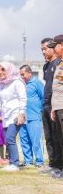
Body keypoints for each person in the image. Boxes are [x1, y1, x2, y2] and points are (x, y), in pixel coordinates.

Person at [0, 61, 27, 172]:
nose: (0, 72)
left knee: (10, 138)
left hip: (16, 114)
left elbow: (23, 98)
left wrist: (21, 113)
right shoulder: (1, 83)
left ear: (9, 69)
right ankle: (11, 163)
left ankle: (15, 164)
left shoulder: (17, 82)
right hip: (6, 116)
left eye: (3, 69)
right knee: (7, 140)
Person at [40, 37, 62, 175]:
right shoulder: (46, 66)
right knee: (48, 136)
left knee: (57, 136)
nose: (43, 51)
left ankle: (60, 165)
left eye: (45, 48)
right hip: (47, 104)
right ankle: (53, 163)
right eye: (41, 49)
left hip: (57, 104)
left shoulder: (59, 63)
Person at [19, 65, 44, 168]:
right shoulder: (20, 84)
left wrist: (39, 110)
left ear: (29, 73)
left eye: (23, 74)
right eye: (20, 75)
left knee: (36, 140)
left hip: (34, 117)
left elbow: (44, 97)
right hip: (22, 117)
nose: (21, 77)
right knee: (24, 140)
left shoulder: (36, 83)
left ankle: (39, 161)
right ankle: (28, 161)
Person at [47, 35, 63, 178]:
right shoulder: (60, 63)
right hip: (58, 107)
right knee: (60, 139)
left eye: (55, 45)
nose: (53, 48)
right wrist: (54, 107)